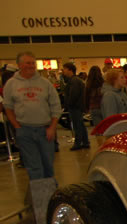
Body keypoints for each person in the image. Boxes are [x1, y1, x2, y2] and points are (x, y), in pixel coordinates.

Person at [3, 51, 61, 179]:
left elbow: (56, 107)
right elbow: (8, 108)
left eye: (33, 63)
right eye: (28, 63)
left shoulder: (45, 83)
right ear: (20, 65)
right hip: (24, 130)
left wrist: (52, 127)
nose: (31, 66)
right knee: (34, 167)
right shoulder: (11, 84)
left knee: (48, 165)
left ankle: (49, 194)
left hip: (45, 130)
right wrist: (17, 127)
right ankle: (39, 196)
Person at [62, 62, 90, 150]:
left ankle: (78, 143)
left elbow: (73, 95)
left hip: (75, 107)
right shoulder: (76, 80)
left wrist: (68, 104)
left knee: (77, 125)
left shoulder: (74, 81)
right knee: (80, 124)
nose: (63, 71)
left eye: (65, 69)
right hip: (77, 106)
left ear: (70, 70)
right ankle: (85, 142)